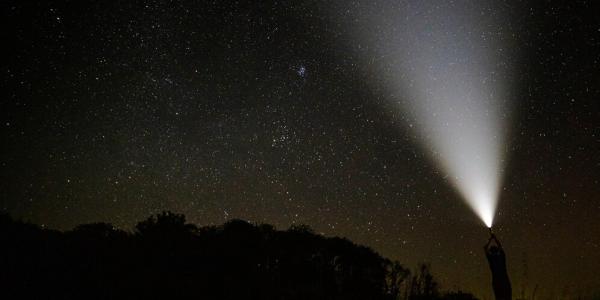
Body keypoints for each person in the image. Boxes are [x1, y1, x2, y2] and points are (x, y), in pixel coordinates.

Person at [484, 232, 512, 300]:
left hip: (496, 282)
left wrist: (490, 239)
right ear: (497, 251)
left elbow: (485, 248)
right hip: (505, 281)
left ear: (491, 252)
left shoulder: (491, 259)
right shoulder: (501, 257)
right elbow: (500, 246)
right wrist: (495, 238)